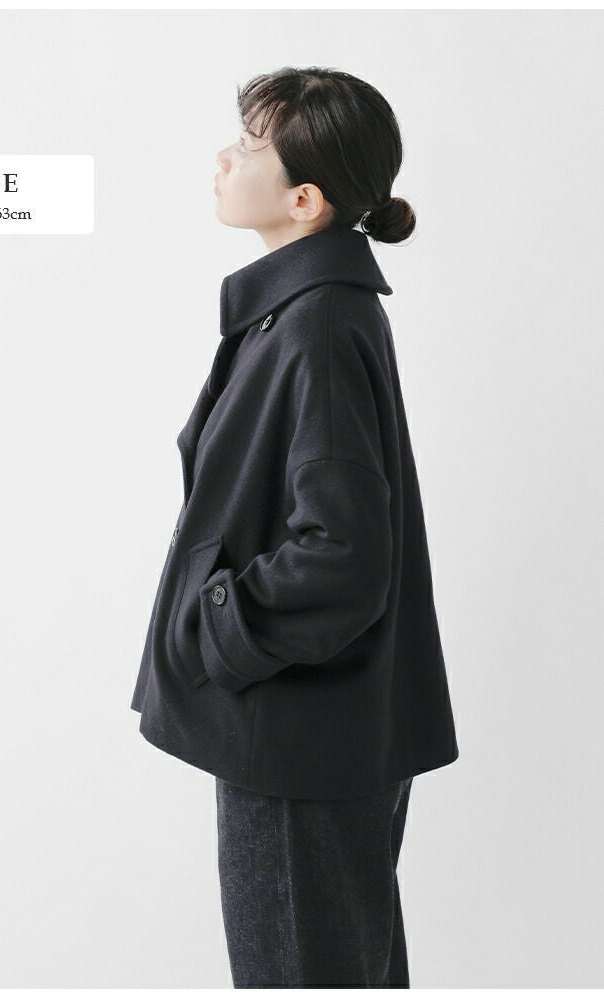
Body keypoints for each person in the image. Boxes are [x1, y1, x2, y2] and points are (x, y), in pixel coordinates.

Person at [130, 66, 459, 988]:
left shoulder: (314, 329)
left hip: (296, 745)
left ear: (304, 200)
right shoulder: (308, 313)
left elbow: (342, 555)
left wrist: (218, 626)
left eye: (249, 145)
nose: (224, 156)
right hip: (313, 733)